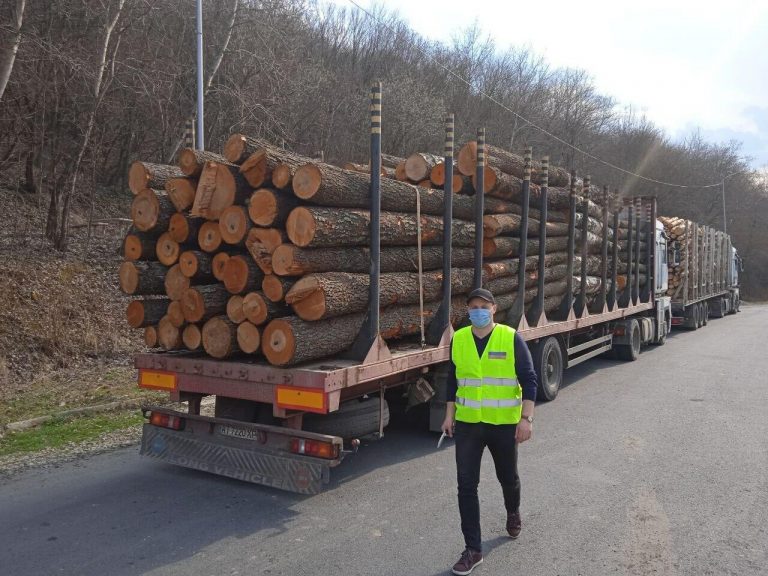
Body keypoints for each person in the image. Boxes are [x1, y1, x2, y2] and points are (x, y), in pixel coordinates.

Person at [442, 288, 538, 576]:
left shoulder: (510, 337)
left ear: (494, 309)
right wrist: (449, 416)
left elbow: (529, 379)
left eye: (483, 306)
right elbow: (452, 380)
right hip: (470, 424)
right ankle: (473, 549)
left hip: (503, 425)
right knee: (466, 486)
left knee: (507, 477)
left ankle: (513, 511)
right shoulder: (459, 339)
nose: (478, 311)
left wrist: (526, 419)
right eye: (473, 307)